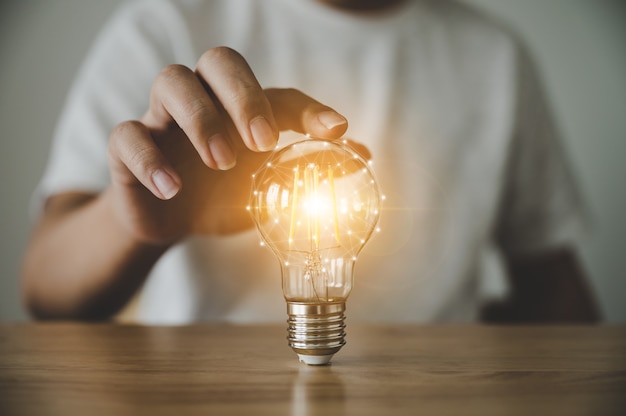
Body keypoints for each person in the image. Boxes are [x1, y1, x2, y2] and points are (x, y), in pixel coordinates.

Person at [21, 0, 599, 323]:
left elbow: (558, 293)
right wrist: (135, 226)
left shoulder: (492, 58)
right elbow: (44, 291)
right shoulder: (163, 27)